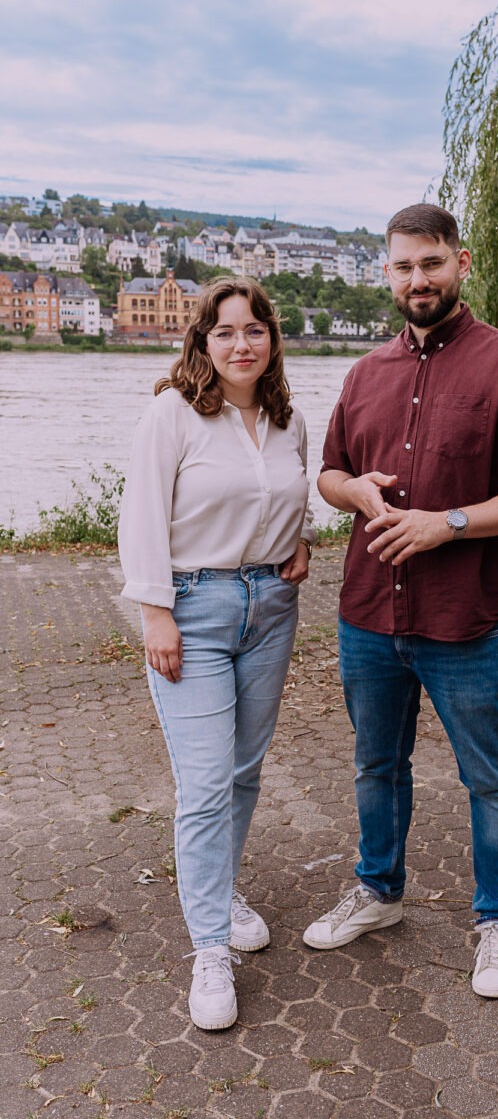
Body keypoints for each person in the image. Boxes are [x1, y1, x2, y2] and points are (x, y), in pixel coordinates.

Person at [302, 204, 498, 998]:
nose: (417, 279)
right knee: (375, 765)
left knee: (489, 778)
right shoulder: (365, 373)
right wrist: (355, 489)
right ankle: (379, 893)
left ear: (461, 263)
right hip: (368, 616)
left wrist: (448, 524)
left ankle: (497, 923)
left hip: (468, 619)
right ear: (384, 273)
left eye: (431, 263)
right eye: (402, 266)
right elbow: (328, 476)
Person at [118, 276, 315, 1030]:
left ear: (272, 340)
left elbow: (283, 498)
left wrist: (297, 540)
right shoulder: (174, 413)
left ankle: (222, 889)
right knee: (203, 782)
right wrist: (155, 612)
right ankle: (209, 950)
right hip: (192, 613)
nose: (242, 344)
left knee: (241, 773)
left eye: (254, 330)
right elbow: (141, 514)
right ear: (202, 342)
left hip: (268, 609)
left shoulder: (287, 419)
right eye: (225, 331)